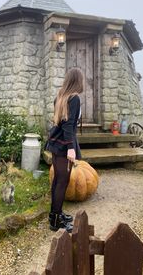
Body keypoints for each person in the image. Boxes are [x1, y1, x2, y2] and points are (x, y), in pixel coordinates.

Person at [49, 68, 83, 233]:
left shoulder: (60, 96)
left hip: (56, 144)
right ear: (78, 81)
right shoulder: (74, 98)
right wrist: (71, 148)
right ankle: (56, 221)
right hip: (64, 146)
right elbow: (69, 125)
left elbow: (61, 123)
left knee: (57, 181)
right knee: (62, 182)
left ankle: (55, 214)